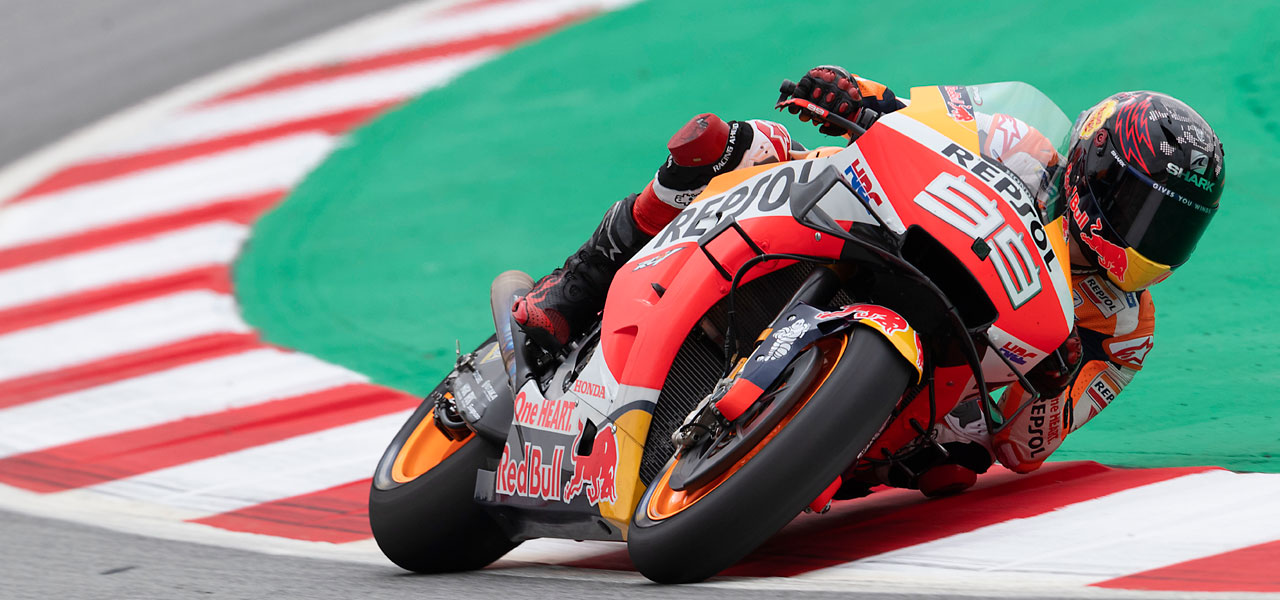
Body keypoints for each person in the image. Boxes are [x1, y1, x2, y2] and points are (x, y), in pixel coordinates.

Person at [510, 66, 1226, 492]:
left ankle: (822, 448)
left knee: (958, 466)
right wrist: (861, 97)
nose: (1144, 239)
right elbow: (927, 120)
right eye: (1139, 209)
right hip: (884, 235)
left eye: (1169, 227)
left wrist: (1044, 388)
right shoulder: (1022, 143)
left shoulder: (1126, 326)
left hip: (936, 377)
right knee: (747, 144)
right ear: (1093, 169)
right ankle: (579, 283)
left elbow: (1025, 451)